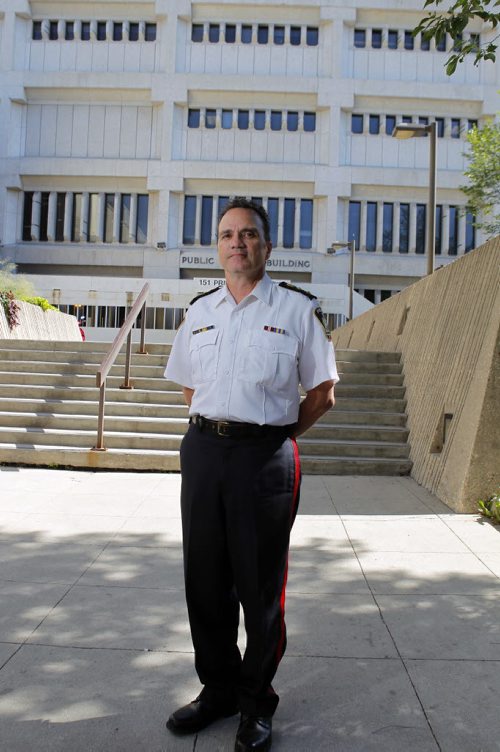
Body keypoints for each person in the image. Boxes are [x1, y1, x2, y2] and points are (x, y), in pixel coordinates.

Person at [164, 197, 338, 751]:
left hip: (264, 459)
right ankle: (216, 691)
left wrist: (275, 437)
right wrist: (218, 429)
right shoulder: (200, 311)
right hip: (204, 454)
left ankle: (255, 703)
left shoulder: (295, 311)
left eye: (248, 234)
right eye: (227, 234)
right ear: (217, 245)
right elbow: (190, 386)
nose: (237, 242)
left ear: (267, 245)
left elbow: (323, 392)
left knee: (260, 589)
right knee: (205, 583)